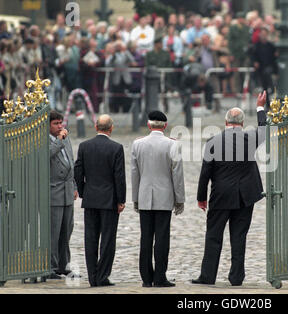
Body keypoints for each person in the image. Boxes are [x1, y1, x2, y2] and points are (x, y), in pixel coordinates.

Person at [192, 91, 267, 286]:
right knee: (239, 236)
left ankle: (208, 276)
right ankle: (236, 277)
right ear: (242, 123)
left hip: (221, 195)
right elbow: (264, 130)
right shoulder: (250, 138)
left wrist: (201, 197)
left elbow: (205, 174)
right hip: (245, 196)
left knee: (213, 235)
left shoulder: (213, 142)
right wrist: (260, 107)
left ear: (226, 122)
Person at [131, 111, 185, 288]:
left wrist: (136, 198)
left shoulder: (137, 144)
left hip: (145, 195)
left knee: (145, 238)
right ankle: (160, 276)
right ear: (165, 126)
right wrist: (180, 199)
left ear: (148, 125)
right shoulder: (172, 145)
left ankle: (146, 277)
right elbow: (177, 175)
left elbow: (134, 173)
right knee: (162, 238)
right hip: (164, 196)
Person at [74, 115, 126, 287]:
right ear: (111, 128)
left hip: (91, 198)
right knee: (108, 239)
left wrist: (83, 192)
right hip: (109, 200)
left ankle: (92, 277)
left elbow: (78, 172)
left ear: (96, 127)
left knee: (90, 239)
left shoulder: (84, 146)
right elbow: (119, 176)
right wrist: (121, 200)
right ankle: (102, 276)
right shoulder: (116, 148)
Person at [48, 111, 77, 279]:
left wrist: (74, 186)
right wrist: (58, 141)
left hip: (66, 190)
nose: (60, 126)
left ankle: (64, 265)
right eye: (56, 124)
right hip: (54, 191)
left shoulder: (65, 139)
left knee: (67, 230)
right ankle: (51, 267)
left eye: (61, 123)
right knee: (54, 231)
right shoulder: (45, 140)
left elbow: (71, 163)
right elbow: (46, 156)